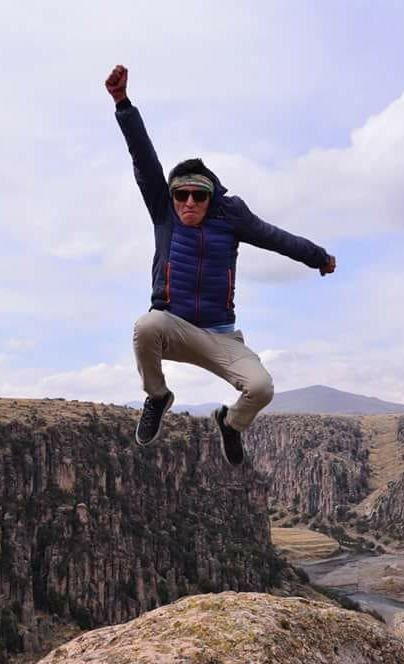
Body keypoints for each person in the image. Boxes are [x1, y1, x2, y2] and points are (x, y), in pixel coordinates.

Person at [105, 65, 337, 466]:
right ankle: (157, 397)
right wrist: (123, 104)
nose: (189, 202)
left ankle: (230, 425)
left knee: (261, 389)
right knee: (145, 326)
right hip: (174, 327)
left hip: (221, 336)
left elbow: (276, 237)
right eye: (181, 194)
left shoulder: (231, 220)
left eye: (198, 194)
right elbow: (143, 159)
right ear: (172, 196)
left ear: (211, 196)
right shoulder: (164, 214)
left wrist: (318, 257)